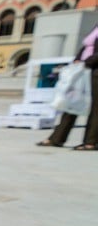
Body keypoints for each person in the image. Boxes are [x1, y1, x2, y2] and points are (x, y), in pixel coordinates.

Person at [37, 22, 98, 150]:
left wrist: (87, 62)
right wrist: (77, 59)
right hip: (83, 71)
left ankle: (90, 142)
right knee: (71, 103)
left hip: (94, 71)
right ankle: (57, 138)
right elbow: (86, 46)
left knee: (95, 109)